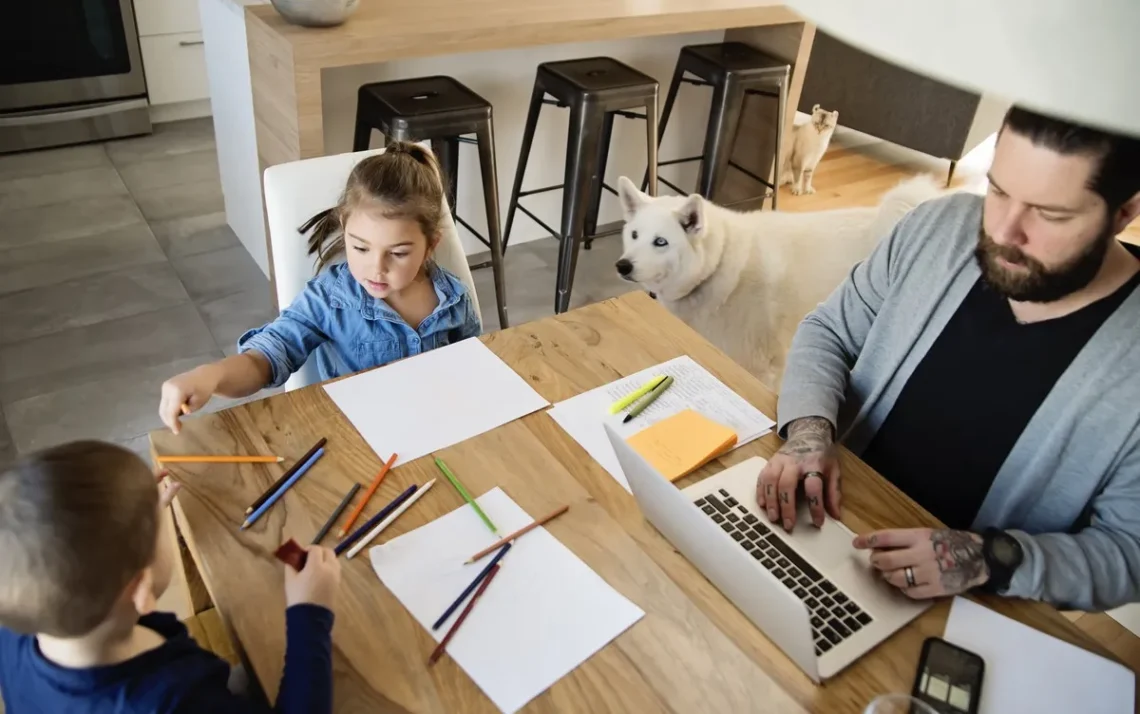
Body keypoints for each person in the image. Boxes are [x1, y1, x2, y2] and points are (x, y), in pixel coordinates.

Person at [757, 106, 1140, 611]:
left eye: (1050, 213)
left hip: (970, 604)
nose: (1005, 231)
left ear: (1125, 212)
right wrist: (808, 434)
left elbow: (1127, 554)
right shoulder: (938, 228)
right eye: (999, 191)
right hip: (828, 522)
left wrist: (990, 557)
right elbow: (829, 331)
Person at [159, 142, 482, 433]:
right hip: (357, 440)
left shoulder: (453, 299)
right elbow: (267, 357)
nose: (377, 267)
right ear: (345, 229)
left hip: (437, 430)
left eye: (398, 253)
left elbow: (472, 368)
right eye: (360, 248)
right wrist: (210, 375)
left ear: (430, 245)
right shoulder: (329, 299)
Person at [0, 441, 341, 713]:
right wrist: (309, 614)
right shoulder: (179, 700)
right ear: (142, 589)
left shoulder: (16, 630)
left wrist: (131, 521)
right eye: (156, 527)